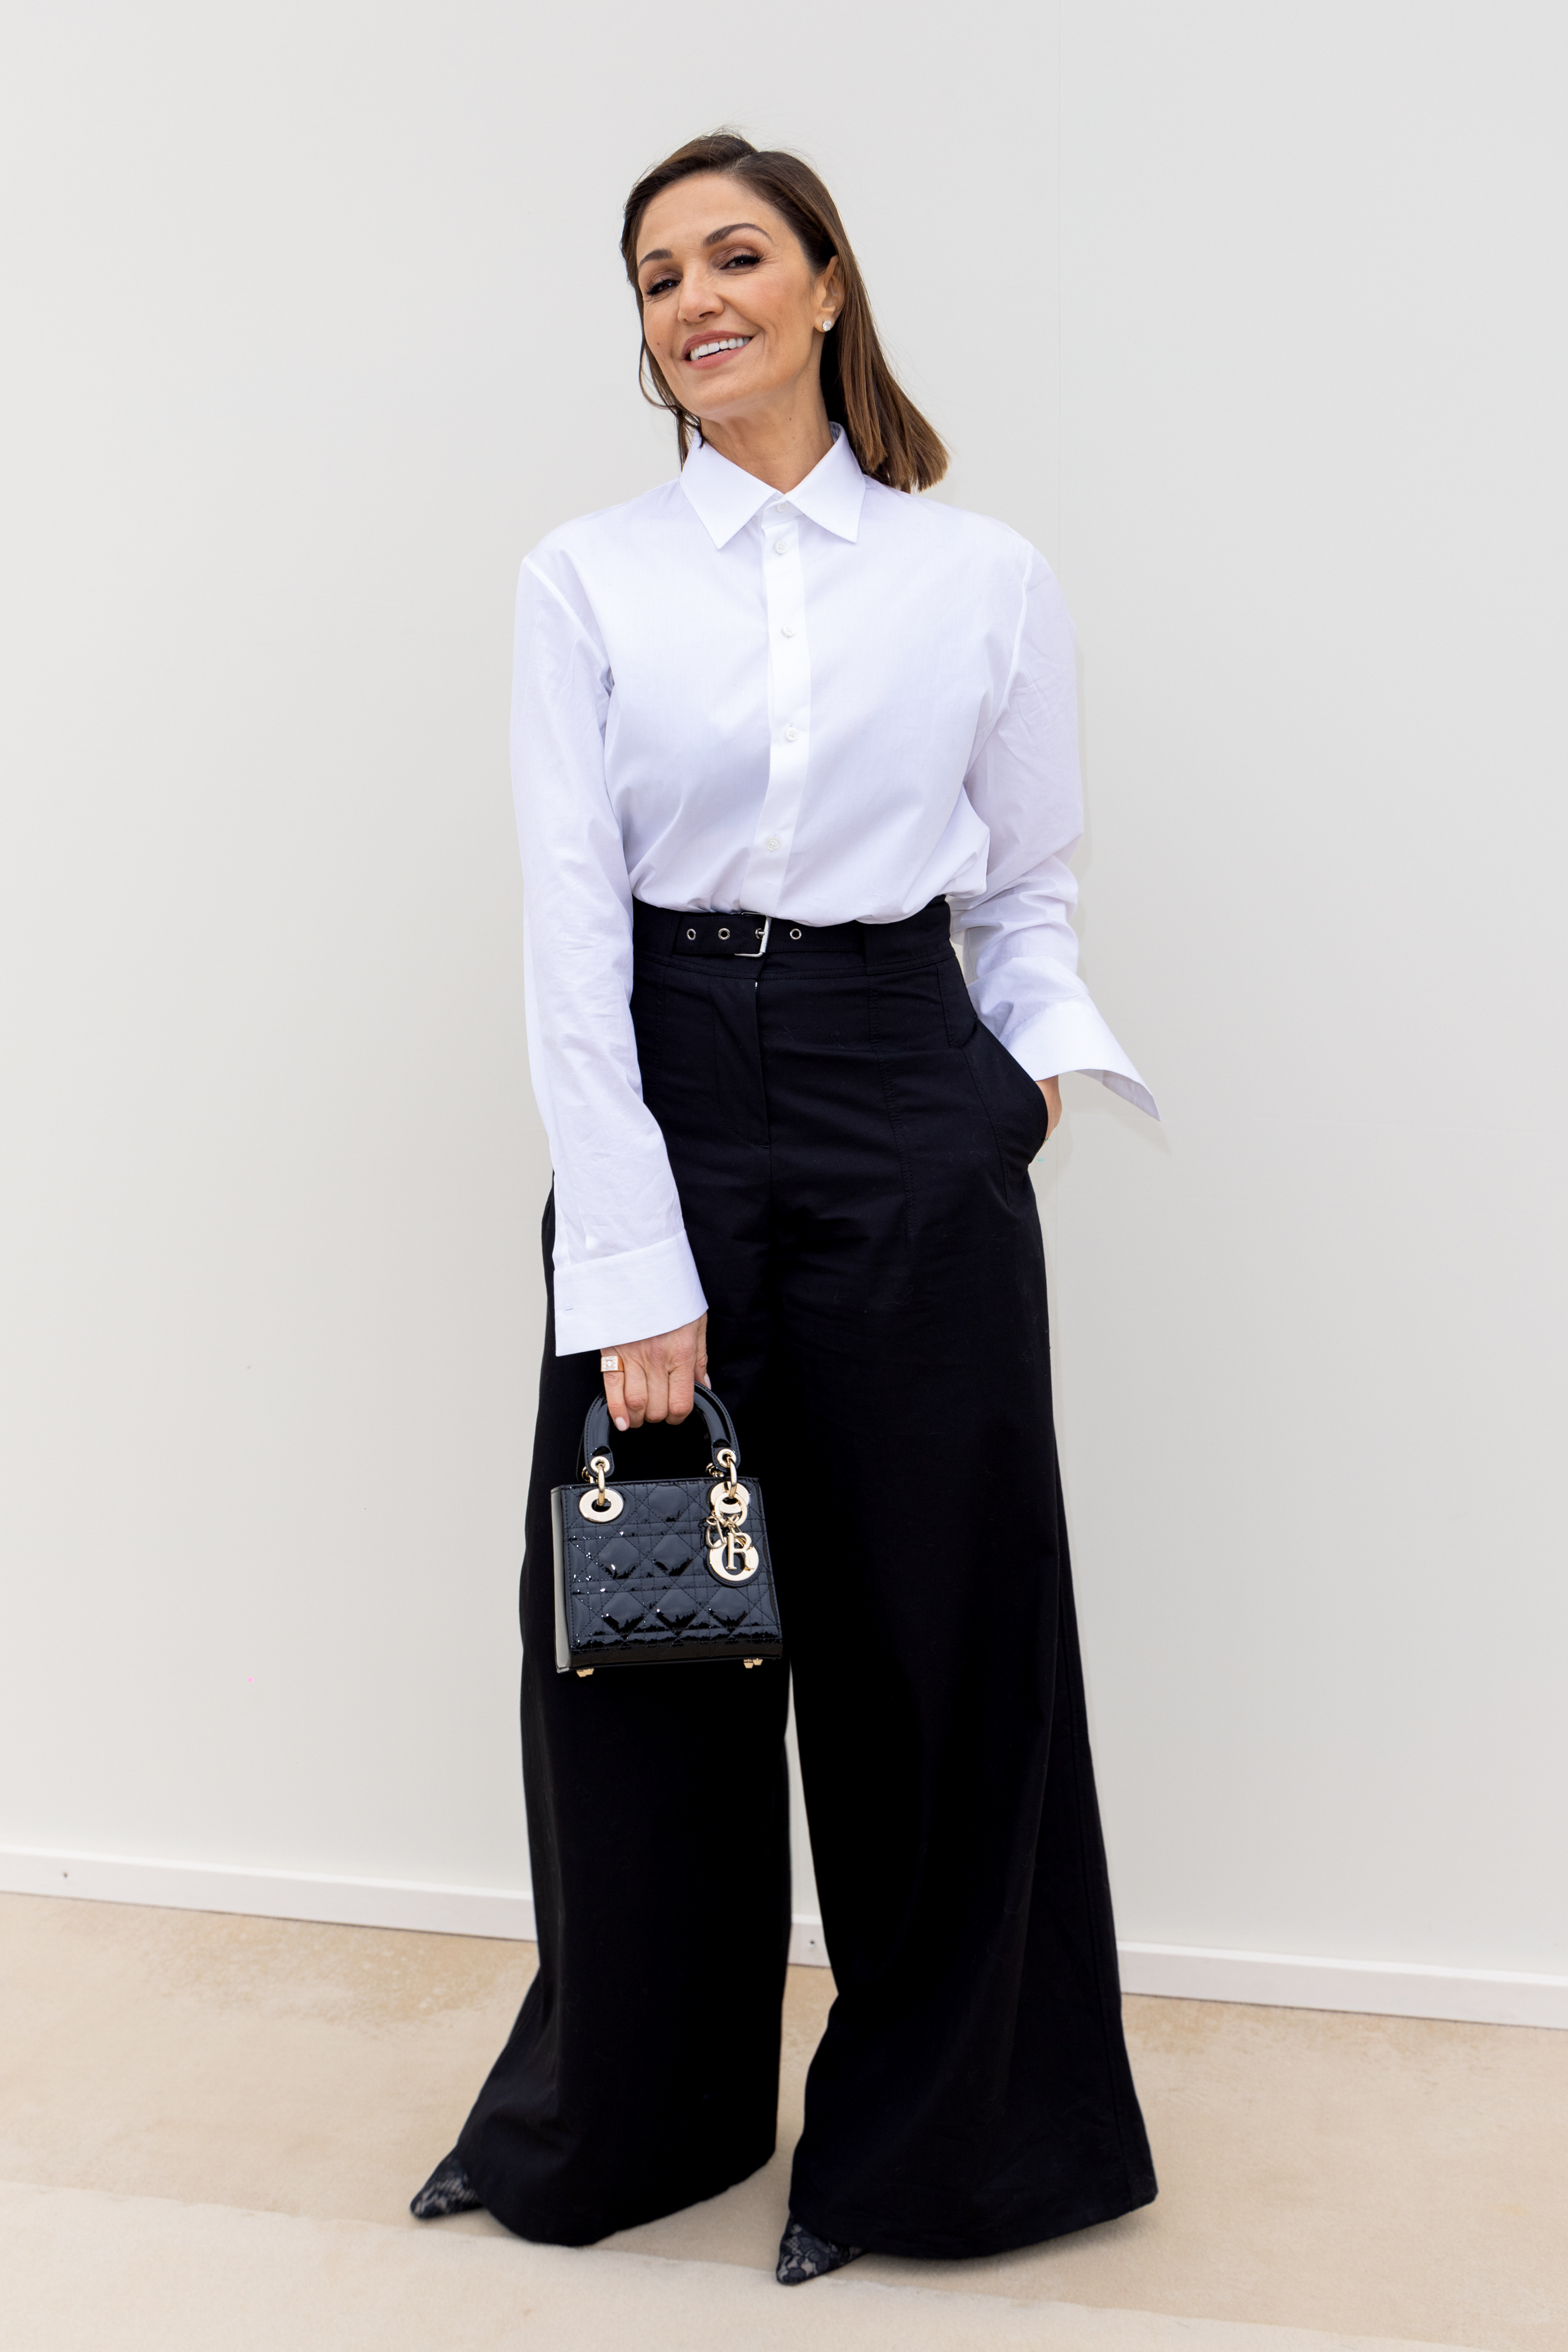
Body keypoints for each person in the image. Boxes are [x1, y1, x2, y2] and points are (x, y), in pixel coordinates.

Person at [412, 130, 1158, 2285]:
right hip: (663, 1081)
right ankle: (622, 2118)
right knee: (646, 1629)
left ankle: (943, 2153)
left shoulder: (979, 576)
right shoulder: (585, 577)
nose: (695, 301)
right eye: (657, 277)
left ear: (827, 284)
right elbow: (571, 938)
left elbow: (1026, 883)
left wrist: (1012, 1091)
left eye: (735, 256)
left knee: (941, 1634)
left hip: (901, 1086)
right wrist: (634, 1265)